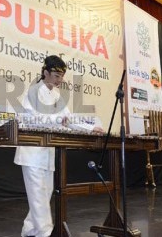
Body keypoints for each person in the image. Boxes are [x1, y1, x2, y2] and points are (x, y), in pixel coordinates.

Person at [14, 55, 103, 237]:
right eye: (56, 76)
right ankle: (45, 233)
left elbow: (68, 120)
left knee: (44, 195)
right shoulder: (33, 92)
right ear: (45, 73)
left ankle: (29, 229)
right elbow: (30, 120)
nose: (60, 80)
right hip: (32, 152)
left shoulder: (56, 95)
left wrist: (90, 128)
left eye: (62, 76)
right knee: (38, 196)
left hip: (48, 152)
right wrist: (57, 119)